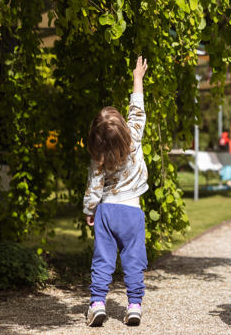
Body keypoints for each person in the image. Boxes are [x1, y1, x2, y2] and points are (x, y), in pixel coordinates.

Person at [82, 56, 149, 327]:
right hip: (132, 211)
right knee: (134, 260)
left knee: (103, 259)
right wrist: (137, 78)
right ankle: (134, 306)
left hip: (107, 211)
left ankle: (97, 304)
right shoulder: (134, 135)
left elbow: (93, 188)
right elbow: (137, 108)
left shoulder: (98, 158)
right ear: (122, 126)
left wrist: (89, 210)